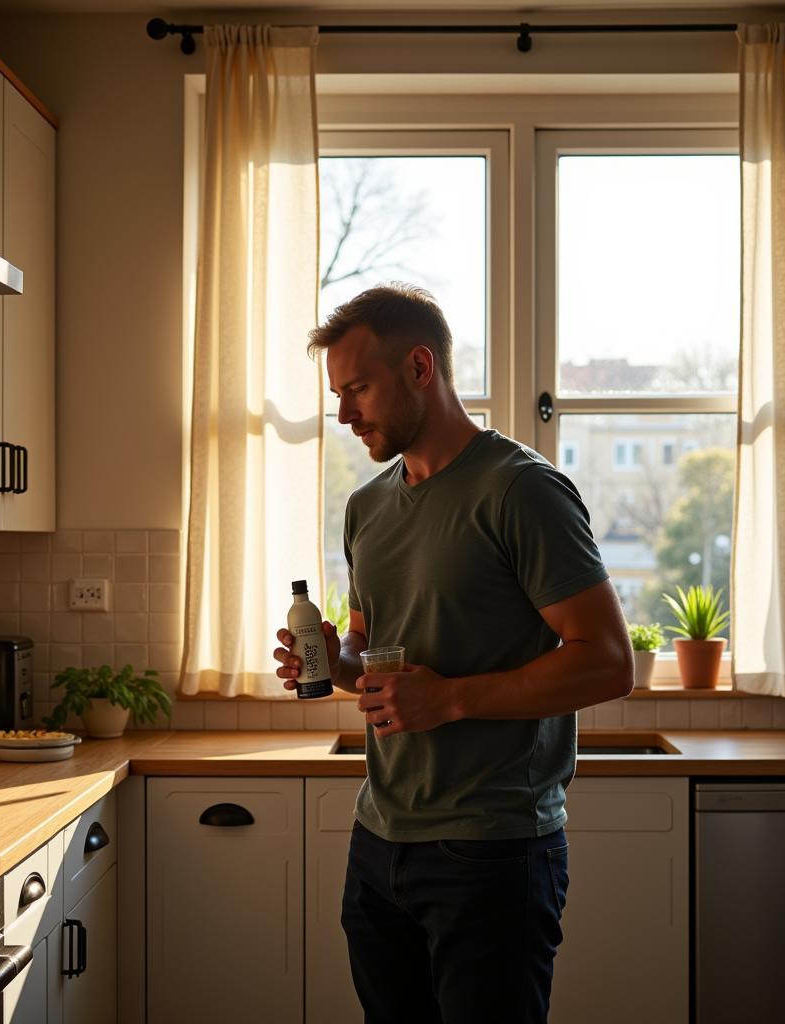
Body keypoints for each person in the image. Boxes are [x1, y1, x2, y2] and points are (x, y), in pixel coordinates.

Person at [273, 283, 633, 1024]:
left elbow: (607, 660)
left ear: (419, 367)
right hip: (379, 839)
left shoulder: (522, 491)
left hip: (492, 852)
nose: (344, 415)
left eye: (359, 390)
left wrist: (455, 698)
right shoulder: (367, 508)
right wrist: (332, 665)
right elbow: (374, 657)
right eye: (338, 395)